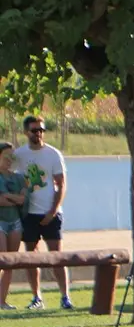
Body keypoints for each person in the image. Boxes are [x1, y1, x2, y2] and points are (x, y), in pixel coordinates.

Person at [13, 117, 71, 310]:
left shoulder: (53, 154)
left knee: (56, 255)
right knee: (31, 256)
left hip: (51, 212)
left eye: (41, 130)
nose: (38, 133)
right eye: (34, 130)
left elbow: (61, 185)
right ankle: (36, 297)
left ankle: (65, 296)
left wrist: (53, 211)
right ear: (26, 132)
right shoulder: (19, 155)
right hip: (29, 213)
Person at [0, 142, 28, 310]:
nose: (9, 160)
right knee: (1, 260)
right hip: (0, 222)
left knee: (10, 263)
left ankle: (2, 301)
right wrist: (13, 198)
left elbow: (22, 199)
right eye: (6, 156)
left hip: (15, 223)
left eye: (12, 156)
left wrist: (9, 197)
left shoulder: (18, 177)